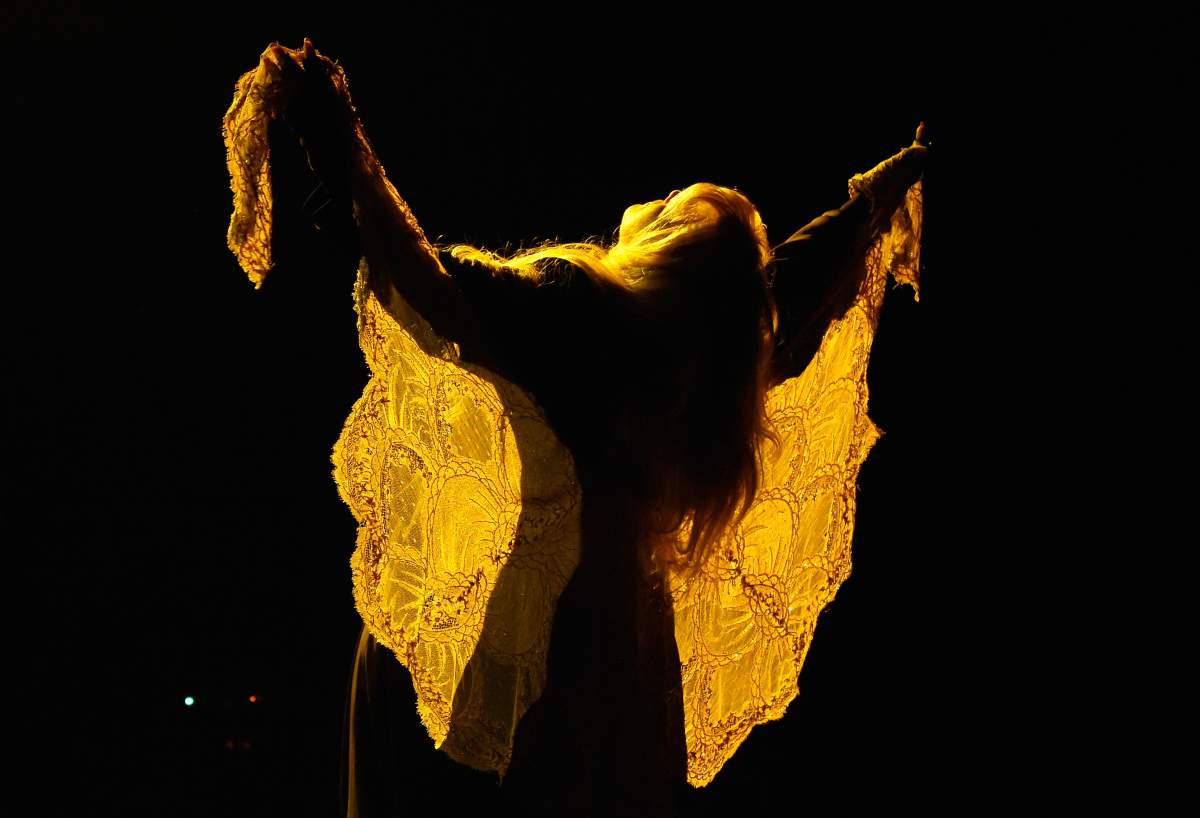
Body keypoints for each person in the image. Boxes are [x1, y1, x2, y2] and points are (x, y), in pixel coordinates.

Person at [224, 39, 928, 817]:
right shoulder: (722, 366)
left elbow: (432, 281)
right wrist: (888, 186)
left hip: (527, 635)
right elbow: (808, 267)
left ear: (667, 256)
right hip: (631, 660)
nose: (656, 197)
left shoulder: (579, 317)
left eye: (673, 205)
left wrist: (337, 139)